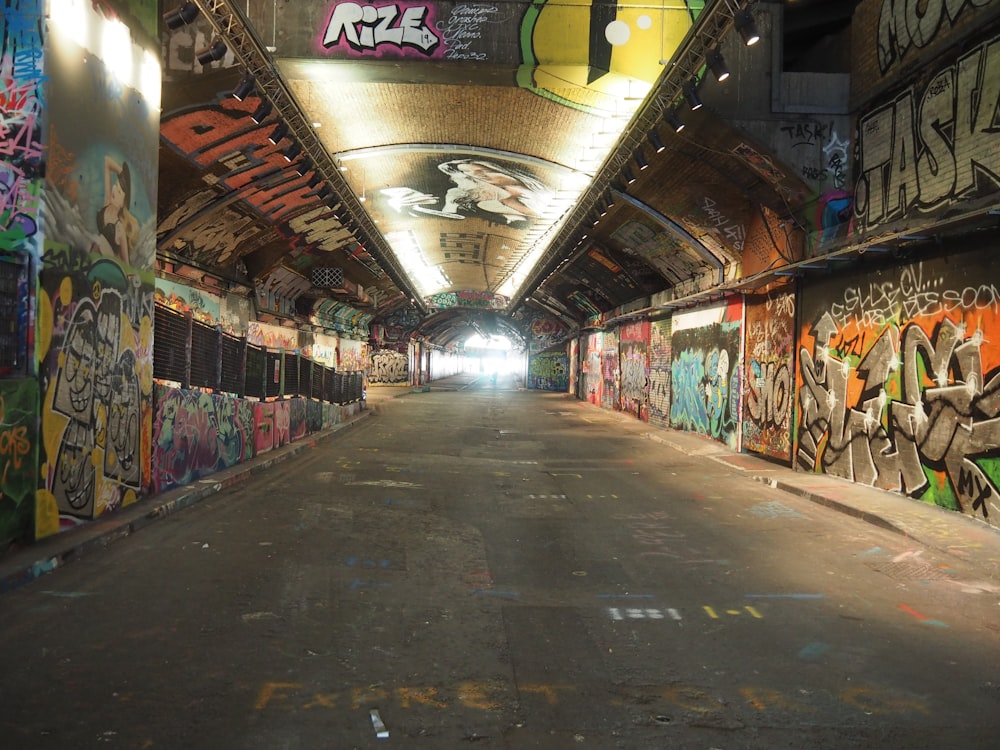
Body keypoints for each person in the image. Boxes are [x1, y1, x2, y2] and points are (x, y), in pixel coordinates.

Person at [416, 159, 549, 225]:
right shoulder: (505, 200)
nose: (483, 179)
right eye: (476, 177)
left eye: (483, 173)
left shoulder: (541, 186)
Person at [98, 155, 138, 264]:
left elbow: (126, 263)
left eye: (119, 192)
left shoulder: (120, 228)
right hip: (97, 261)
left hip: (109, 267)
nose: (114, 190)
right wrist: (122, 174)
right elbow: (107, 161)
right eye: (115, 185)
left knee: (99, 241)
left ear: (123, 204)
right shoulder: (107, 202)